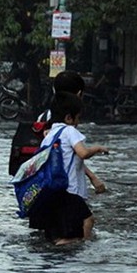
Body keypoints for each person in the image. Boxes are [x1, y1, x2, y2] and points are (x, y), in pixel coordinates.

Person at [27, 92, 109, 245]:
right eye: (78, 118)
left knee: (60, 234)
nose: (78, 122)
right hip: (69, 190)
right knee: (86, 221)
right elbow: (83, 153)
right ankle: (85, 249)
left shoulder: (49, 135)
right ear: (68, 118)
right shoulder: (70, 131)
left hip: (52, 190)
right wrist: (97, 148)